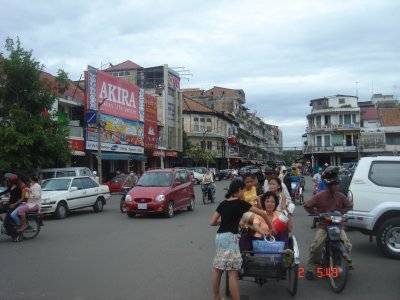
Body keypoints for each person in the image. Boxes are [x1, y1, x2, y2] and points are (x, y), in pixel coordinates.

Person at [209, 179, 275, 300]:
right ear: (239, 190)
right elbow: (263, 214)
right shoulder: (241, 203)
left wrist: (224, 221)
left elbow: (212, 222)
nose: (244, 192)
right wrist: (271, 228)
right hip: (230, 237)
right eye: (243, 190)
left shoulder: (223, 203)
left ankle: (216, 297)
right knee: (233, 272)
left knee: (218, 269)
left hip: (219, 237)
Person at [303, 168, 353, 280]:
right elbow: (307, 205)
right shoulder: (319, 196)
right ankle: (310, 268)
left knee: (347, 244)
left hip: (338, 226)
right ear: (329, 185)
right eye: (335, 184)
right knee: (316, 246)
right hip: (324, 226)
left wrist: (342, 213)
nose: (337, 186)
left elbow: (349, 205)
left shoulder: (340, 196)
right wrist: (317, 213)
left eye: (337, 184)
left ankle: (343, 261)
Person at [1, 174, 22, 242]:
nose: (7, 181)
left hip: (14, 205)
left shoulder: (17, 188)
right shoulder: (11, 187)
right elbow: (5, 191)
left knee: (6, 222)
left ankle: (16, 235)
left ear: (12, 181)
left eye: (8, 180)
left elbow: (15, 199)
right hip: (9, 204)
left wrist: (8, 201)